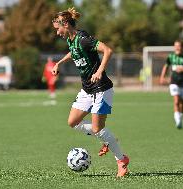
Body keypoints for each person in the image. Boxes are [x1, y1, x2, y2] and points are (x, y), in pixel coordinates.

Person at [51, 7, 129, 177]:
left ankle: (122, 160)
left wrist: (100, 70)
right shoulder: (71, 40)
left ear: (65, 24)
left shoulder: (84, 39)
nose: (57, 33)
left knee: (97, 128)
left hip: (101, 89)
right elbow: (73, 52)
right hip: (87, 90)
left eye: (58, 29)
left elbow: (108, 50)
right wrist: (59, 63)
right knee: (73, 122)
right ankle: (105, 138)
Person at [160, 40, 183, 129]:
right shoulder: (171, 56)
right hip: (174, 82)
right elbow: (166, 66)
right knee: (176, 101)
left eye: (179, 46)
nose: (177, 47)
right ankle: (177, 121)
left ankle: (180, 119)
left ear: (182, 47)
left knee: (182, 103)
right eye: (175, 46)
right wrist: (162, 77)